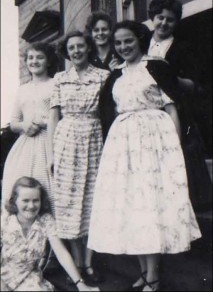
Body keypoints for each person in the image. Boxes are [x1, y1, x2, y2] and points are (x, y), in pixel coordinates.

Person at [88, 20, 201, 292]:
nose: (123, 46)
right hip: (123, 143)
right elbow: (109, 111)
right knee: (131, 205)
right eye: (118, 43)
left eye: (128, 40)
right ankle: (143, 270)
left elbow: (172, 107)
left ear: (139, 39)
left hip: (154, 140)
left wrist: (173, 147)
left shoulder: (156, 67)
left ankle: (153, 275)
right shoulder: (115, 75)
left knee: (149, 204)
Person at [47, 31, 109, 286]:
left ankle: (89, 262)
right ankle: (77, 261)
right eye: (71, 47)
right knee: (70, 202)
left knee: (93, 200)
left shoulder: (103, 76)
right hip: (66, 141)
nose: (76, 51)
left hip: (94, 139)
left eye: (80, 46)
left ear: (88, 48)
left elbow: (108, 113)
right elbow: (53, 117)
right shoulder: (60, 79)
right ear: (66, 51)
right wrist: (51, 154)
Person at [146, 0, 212, 211]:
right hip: (145, 115)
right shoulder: (139, 43)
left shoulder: (184, 48)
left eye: (170, 20)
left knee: (178, 168)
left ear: (176, 23)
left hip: (176, 114)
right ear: (152, 18)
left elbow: (195, 84)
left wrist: (170, 76)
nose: (164, 23)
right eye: (160, 18)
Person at [0, 176, 99, 291]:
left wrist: (80, 284)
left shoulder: (46, 221)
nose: (31, 206)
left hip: (28, 279)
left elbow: (62, 253)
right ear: (14, 200)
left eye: (35, 200)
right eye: (25, 200)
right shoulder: (4, 221)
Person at [1, 42, 58, 214]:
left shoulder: (56, 84)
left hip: (48, 141)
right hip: (25, 145)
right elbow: (14, 122)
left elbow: (60, 117)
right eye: (31, 58)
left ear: (48, 61)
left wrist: (43, 123)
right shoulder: (22, 90)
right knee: (21, 184)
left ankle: (50, 231)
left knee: (48, 185)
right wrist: (24, 126)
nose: (35, 61)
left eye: (40, 57)